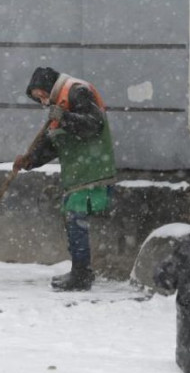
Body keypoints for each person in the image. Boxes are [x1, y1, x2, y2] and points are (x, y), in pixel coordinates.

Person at [13, 67, 116, 291]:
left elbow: (93, 124)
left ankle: (81, 275)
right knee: (72, 220)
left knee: (75, 219)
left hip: (91, 168)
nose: (41, 101)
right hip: (79, 170)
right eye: (36, 98)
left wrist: (64, 117)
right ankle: (80, 272)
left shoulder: (77, 91)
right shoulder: (58, 104)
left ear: (50, 86)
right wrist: (30, 160)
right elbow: (54, 143)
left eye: (41, 94)